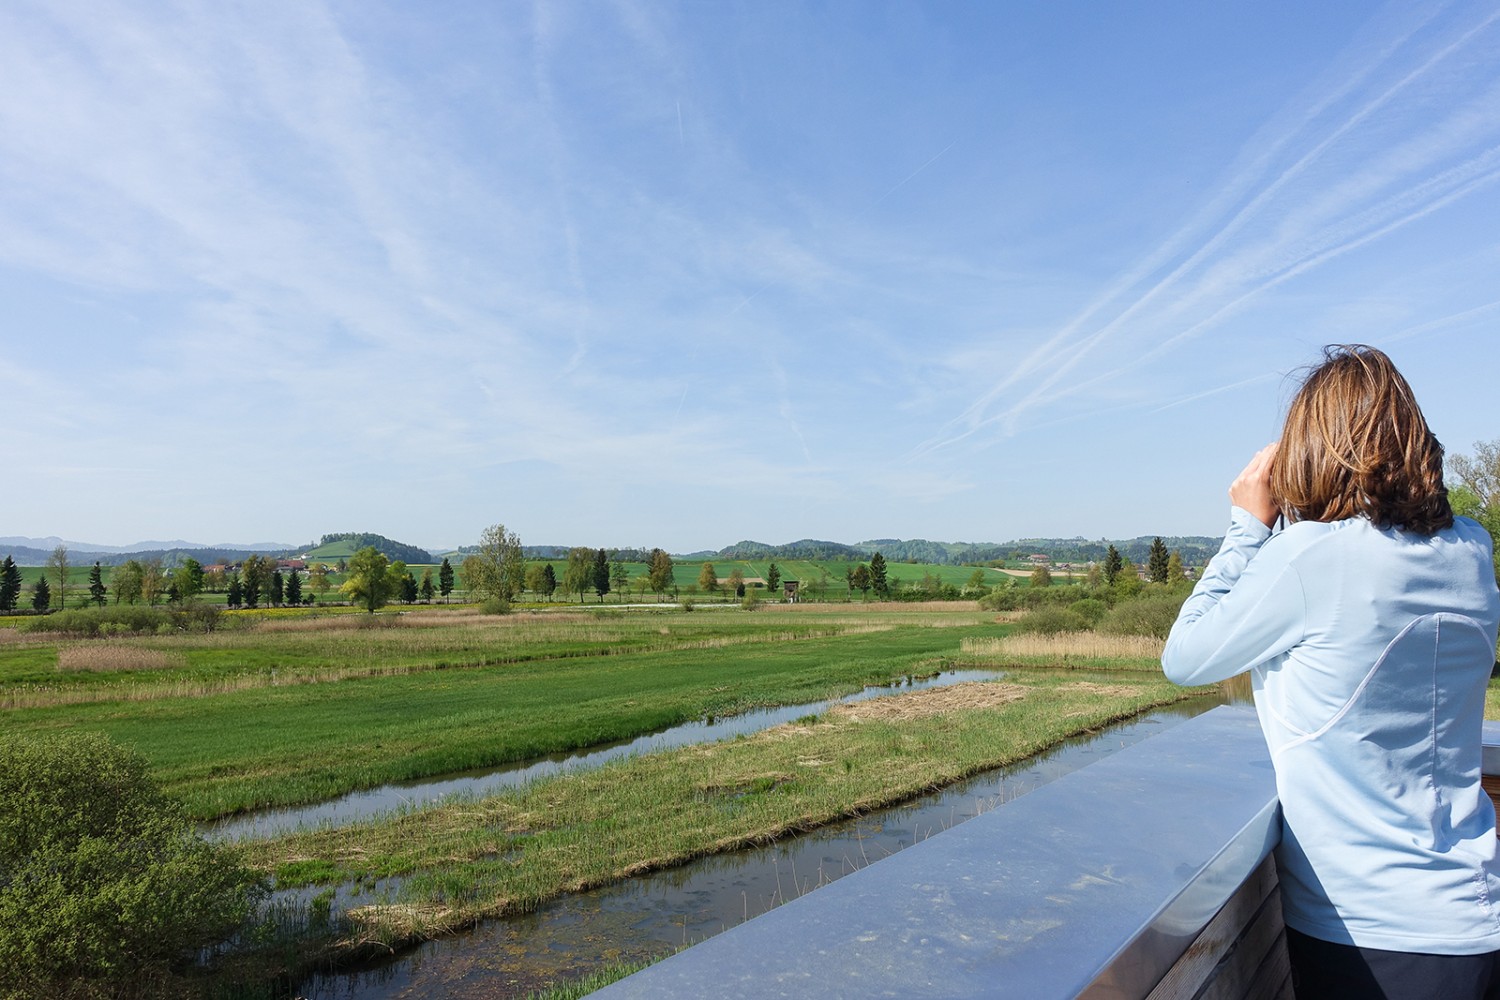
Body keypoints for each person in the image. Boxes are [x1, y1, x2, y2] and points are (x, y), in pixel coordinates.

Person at [1162, 345, 1500, 999]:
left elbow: (1186, 657)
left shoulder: (1311, 560)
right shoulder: (1473, 550)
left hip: (1373, 938)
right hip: (1477, 916)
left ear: (1310, 451)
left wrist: (1246, 528)